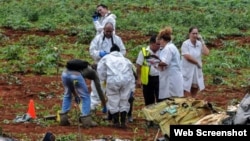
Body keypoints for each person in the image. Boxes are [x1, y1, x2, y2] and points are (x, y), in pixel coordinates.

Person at [89, 22, 126, 119]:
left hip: (112, 69)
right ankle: (91, 109)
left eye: (110, 31)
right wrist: (99, 54)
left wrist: (114, 56)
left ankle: (110, 112)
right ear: (104, 30)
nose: (109, 33)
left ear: (113, 30)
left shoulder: (117, 39)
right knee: (96, 89)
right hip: (99, 66)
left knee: (111, 91)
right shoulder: (97, 39)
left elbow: (123, 51)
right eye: (107, 31)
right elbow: (92, 50)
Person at [97, 44, 135, 129]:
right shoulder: (126, 60)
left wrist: (103, 79)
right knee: (124, 99)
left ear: (111, 51)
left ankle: (116, 122)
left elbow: (100, 71)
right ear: (119, 51)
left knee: (113, 99)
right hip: (126, 80)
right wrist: (132, 88)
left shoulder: (106, 58)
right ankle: (123, 122)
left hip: (113, 80)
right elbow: (131, 74)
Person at [59, 59, 106, 128]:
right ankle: (86, 121)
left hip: (65, 74)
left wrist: (75, 95)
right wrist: (104, 104)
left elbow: (71, 85)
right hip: (76, 76)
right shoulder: (94, 73)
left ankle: (63, 119)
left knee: (67, 94)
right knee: (85, 96)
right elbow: (99, 90)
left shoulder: (80, 67)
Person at [181, 26, 209, 98]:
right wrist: (196, 62)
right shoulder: (185, 44)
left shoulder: (199, 44)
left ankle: (193, 103)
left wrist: (202, 42)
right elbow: (187, 56)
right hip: (187, 70)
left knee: (195, 88)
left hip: (196, 70)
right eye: (193, 33)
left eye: (196, 33)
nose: (195, 35)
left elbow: (206, 53)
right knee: (186, 88)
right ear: (189, 34)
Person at [156, 26, 184, 101]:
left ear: (163, 40)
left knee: (171, 99)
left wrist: (153, 62)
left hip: (171, 78)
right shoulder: (171, 47)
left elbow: (165, 62)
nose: (159, 42)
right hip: (173, 76)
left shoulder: (168, 48)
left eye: (160, 40)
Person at [136, 34, 161, 106]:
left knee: (160, 99)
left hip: (159, 78)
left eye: (160, 44)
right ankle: (150, 116)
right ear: (151, 43)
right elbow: (138, 66)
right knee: (149, 100)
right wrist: (139, 79)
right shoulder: (144, 52)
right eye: (157, 44)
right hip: (148, 79)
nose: (159, 46)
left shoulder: (162, 51)